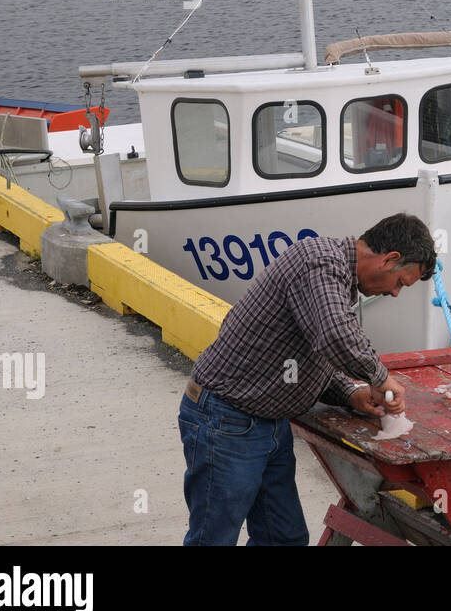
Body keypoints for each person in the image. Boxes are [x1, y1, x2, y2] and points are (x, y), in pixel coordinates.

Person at [178, 212, 436, 545]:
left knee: (284, 538)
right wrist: (379, 377)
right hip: (225, 419)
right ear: (390, 259)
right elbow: (334, 336)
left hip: (267, 423)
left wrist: (351, 394)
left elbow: (311, 357)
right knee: (213, 537)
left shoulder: (338, 281)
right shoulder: (319, 262)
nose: (396, 293)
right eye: (401, 282)